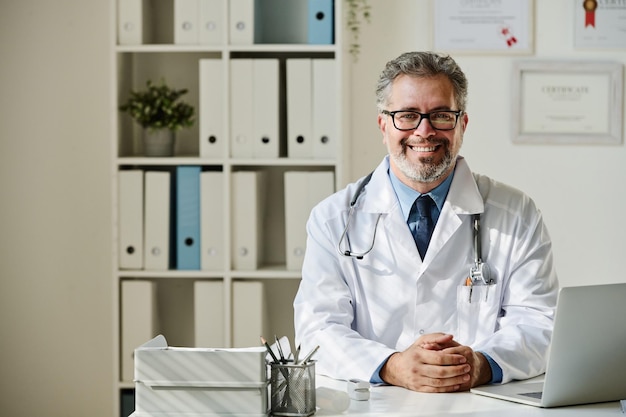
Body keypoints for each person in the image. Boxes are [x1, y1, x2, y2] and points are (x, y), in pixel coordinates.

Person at [293, 51, 559, 393]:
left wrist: (477, 365)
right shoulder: (333, 218)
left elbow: (540, 323)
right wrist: (392, 367)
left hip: (480, 404)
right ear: (383, 125)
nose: (424, 131)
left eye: (441, 115)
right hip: (375, 405)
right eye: (407, 115)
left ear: (462, 124)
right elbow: (317, 328)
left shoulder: (517, 213)